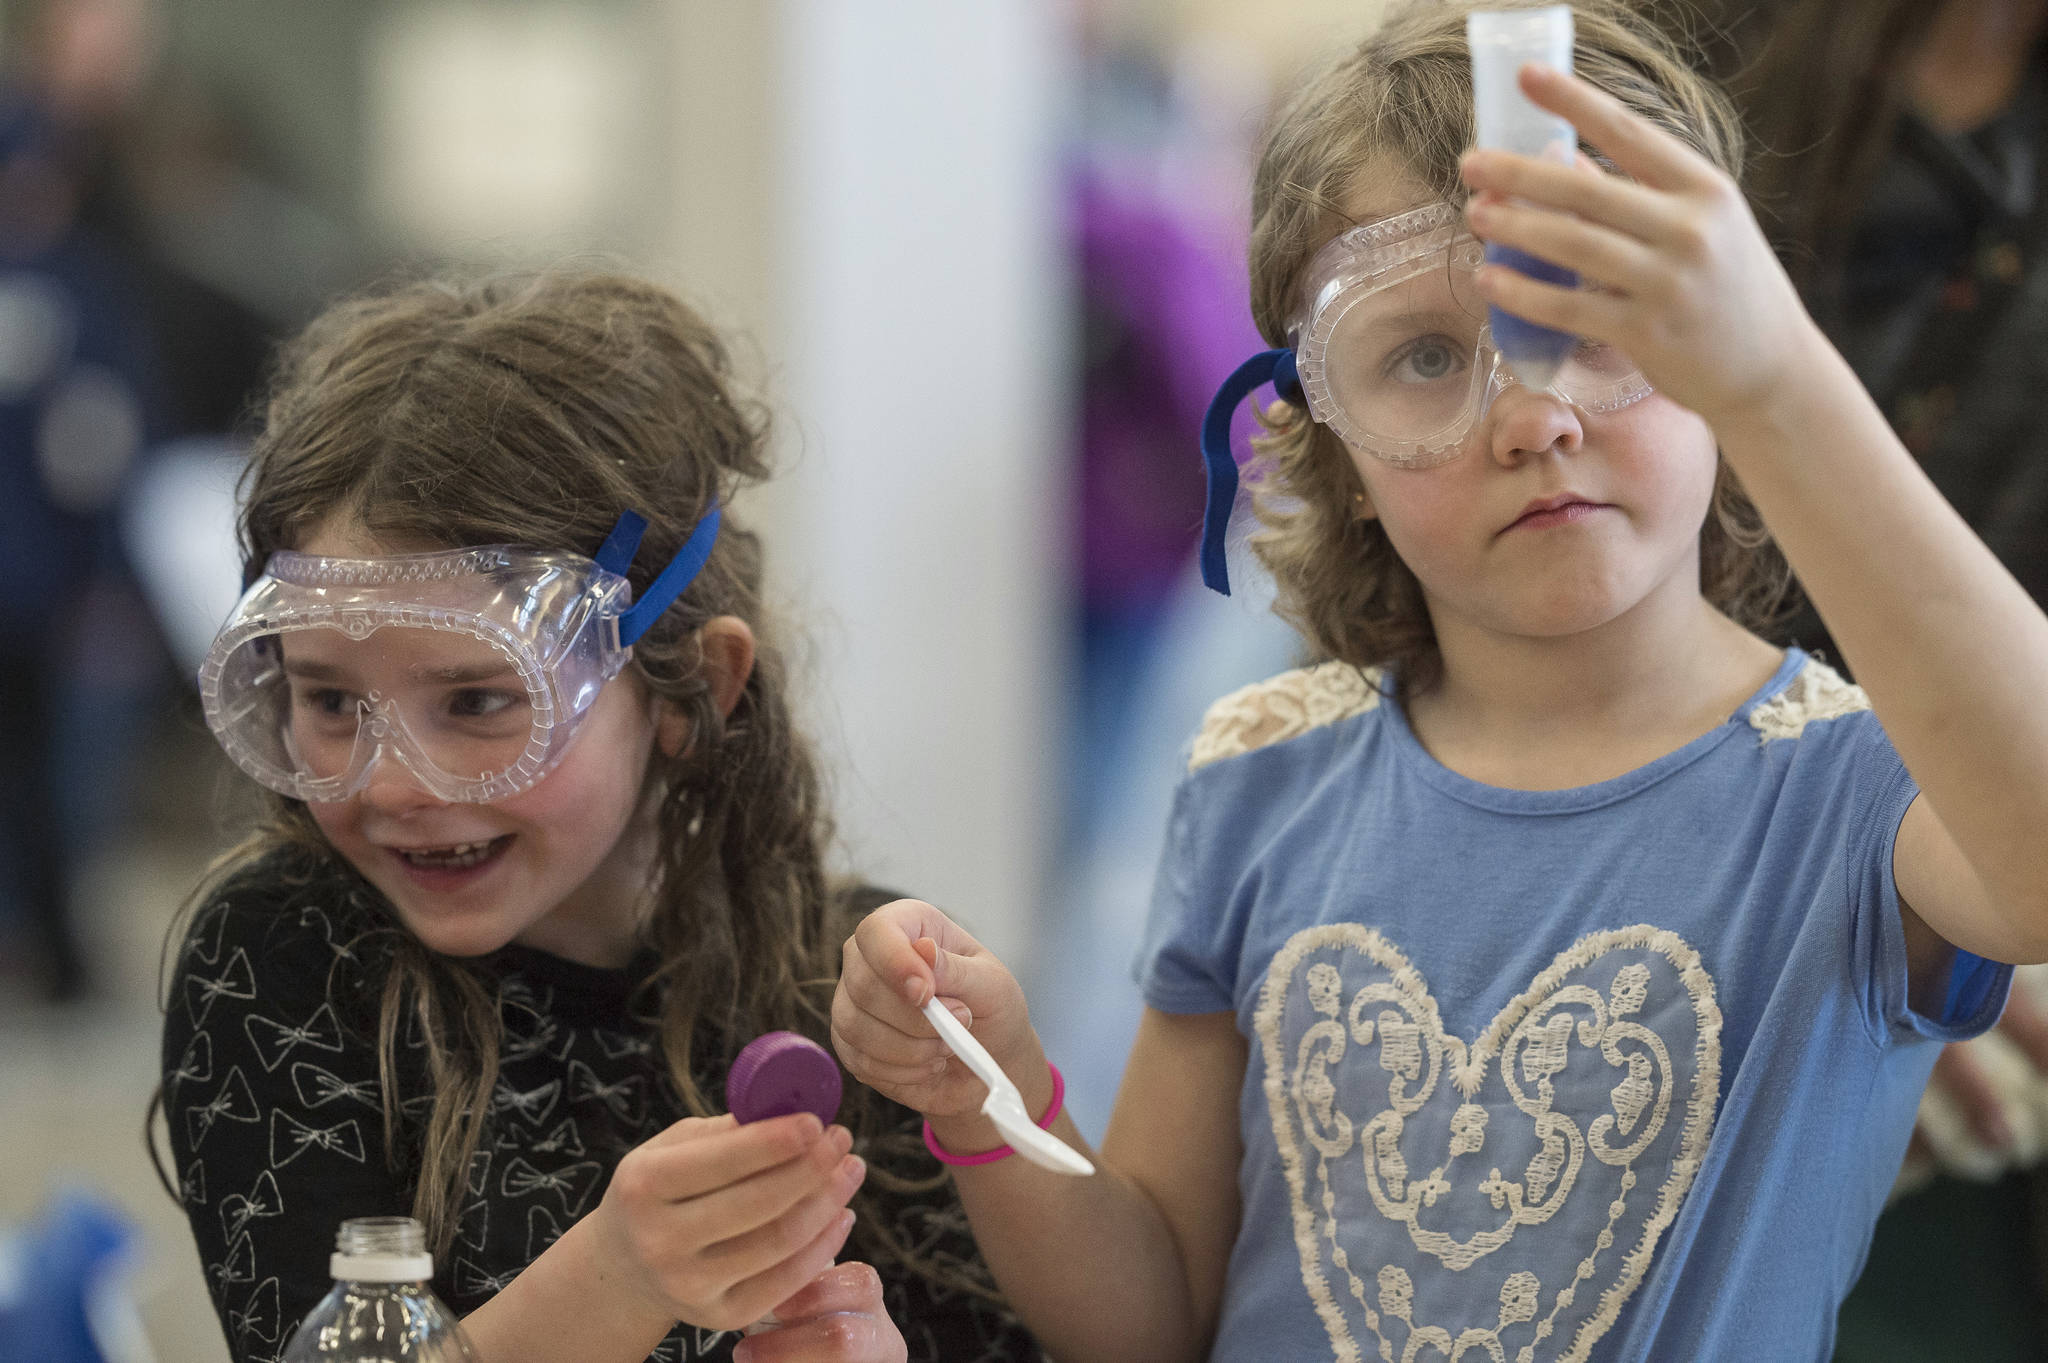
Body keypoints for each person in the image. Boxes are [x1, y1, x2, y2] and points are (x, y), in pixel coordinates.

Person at [828, 1, 2048, 1359]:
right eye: (1421, 358)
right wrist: (998, 1102)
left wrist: (1778, 381)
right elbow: (1154, 1306)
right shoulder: (1261, 769)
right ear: (1330, 440)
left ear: (1719, 336)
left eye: (1596, 321)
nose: (1534, 415)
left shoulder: (1862, 791)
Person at [153, 272, 1040, 1363]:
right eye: (330, 700)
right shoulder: (285, 953)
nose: (388, 784)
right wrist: (614, 1282)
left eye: (478, 701)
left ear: (692, 691)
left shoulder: (861, 997)